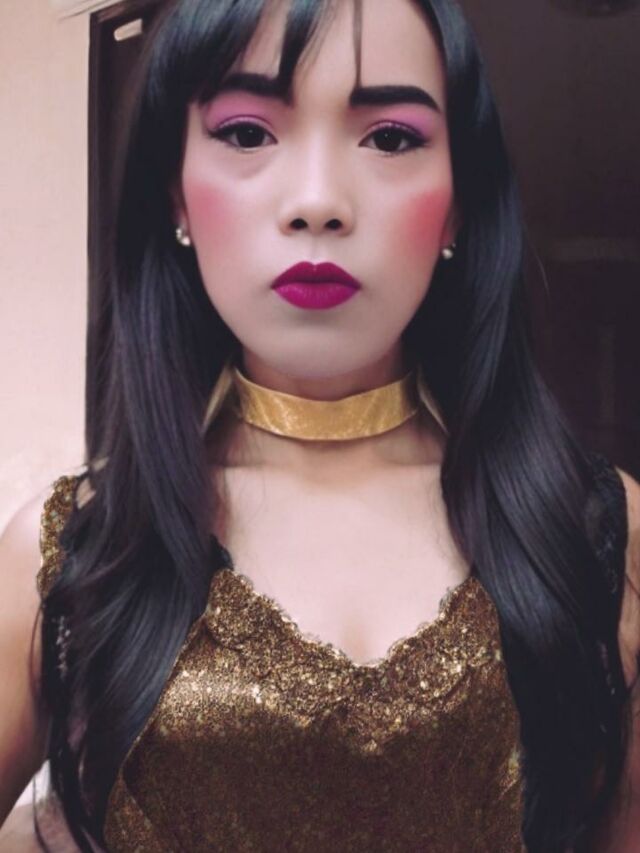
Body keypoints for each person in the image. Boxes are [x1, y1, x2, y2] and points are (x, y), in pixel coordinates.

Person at [0, 0, 638, 850]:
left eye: (391, 138)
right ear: (175, 194)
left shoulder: (599, 532)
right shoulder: (65, 550)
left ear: (458, 204)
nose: (317, 202)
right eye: (246, 133)